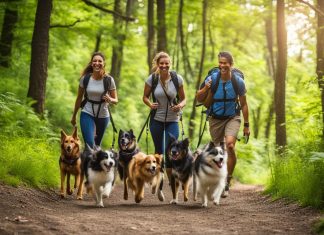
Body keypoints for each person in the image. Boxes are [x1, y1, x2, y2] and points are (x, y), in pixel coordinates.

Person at [196, 51, 250, 197]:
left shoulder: (238, 82)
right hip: (215, 118)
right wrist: (207, 88)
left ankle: (227, 181)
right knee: (219, 151)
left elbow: (244, 104)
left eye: (225, 63)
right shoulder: (212, 78)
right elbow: (199, 98)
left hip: (233, 116)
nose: (222, 65)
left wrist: (247, 125)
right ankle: (218, 180)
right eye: (220, 62)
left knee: (230, 145)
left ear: (231, 65)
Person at [142, 51, 186, 193]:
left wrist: (180, 105)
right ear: (157, 64)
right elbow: (144, 97)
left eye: (167, 63)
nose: (164, 66)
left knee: (171, 152)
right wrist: (150, 104)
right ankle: (159, 184)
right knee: (159, 153)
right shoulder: (152, 79)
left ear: (170, 64)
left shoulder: (176, 79)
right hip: (157, 120)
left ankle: (171, 184)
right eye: (161, 63)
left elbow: (184, 99)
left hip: (173, 120)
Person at [71, 52, 118, 148]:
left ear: (104, 64)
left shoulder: (109, 80)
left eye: (100, 61)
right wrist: (74, 115)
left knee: (96, 145)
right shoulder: (85, 79)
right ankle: (86, 160)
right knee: (89, 144)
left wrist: (110, 99)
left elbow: (116, 100)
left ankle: (92, 162)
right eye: (94, 61)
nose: (97, 63)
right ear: (91, 63)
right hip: (87, 112)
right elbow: (79, 98)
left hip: (103, 115)